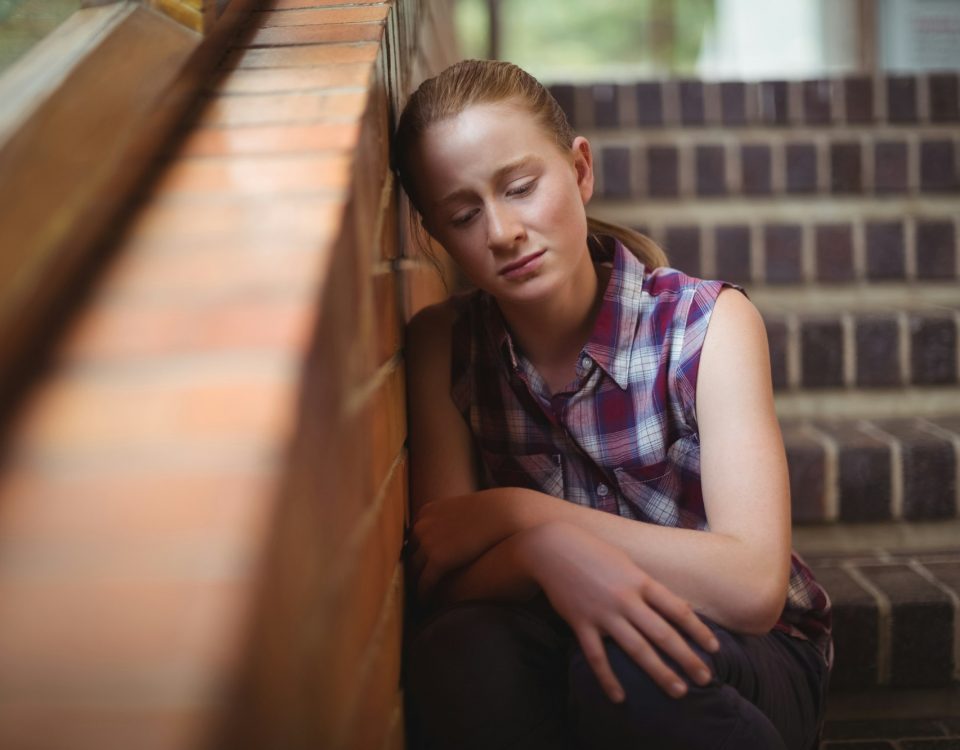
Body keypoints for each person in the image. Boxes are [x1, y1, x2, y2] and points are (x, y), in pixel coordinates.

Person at [393, 59, 832, 750]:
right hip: (552, 636)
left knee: (632, 666)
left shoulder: (708, 325)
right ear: (435, 235)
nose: (502, 230)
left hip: (742, 650)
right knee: (456, 652)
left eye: (520, 187)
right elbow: (445, 579)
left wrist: (524, 514)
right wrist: (546, 554)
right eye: (464, 213)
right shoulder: (443, 346)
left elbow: (751, 585)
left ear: (580, 170)